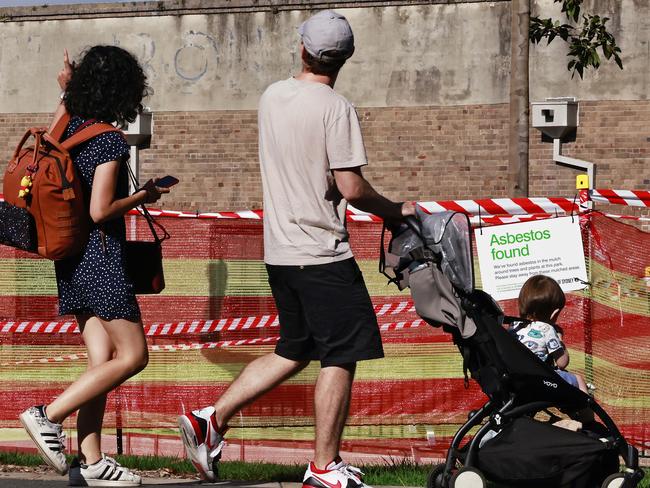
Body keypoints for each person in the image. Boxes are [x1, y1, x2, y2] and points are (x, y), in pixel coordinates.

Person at [177, 10, 415, 488]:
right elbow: (349, 186)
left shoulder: (272, 97)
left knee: (294, 349)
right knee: (342, 355)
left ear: (303, 49)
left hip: (280, 251)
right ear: (345, 58)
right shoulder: (335, 107)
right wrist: (395, 210)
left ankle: (211, 419)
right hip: (321, 252)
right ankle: (324, 466)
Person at [19, 46, 170, 487]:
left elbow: (57, 123)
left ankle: (92, 463)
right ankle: (47, 415)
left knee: (102, 359)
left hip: (70, 258)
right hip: (101, 259)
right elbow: (102, 210)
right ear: (124, 90)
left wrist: (65, 88)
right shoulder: (107, 139)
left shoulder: (67, 128)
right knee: (134, 355)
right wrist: (144, 197)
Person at [511, 274, 589, 393]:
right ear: (555, 314)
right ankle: (585, 410)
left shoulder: (514, 326)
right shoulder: (547, 329)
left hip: (515, 378)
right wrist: (560, 340)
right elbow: (562, 363)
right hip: (540, 380)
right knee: (578, 380)